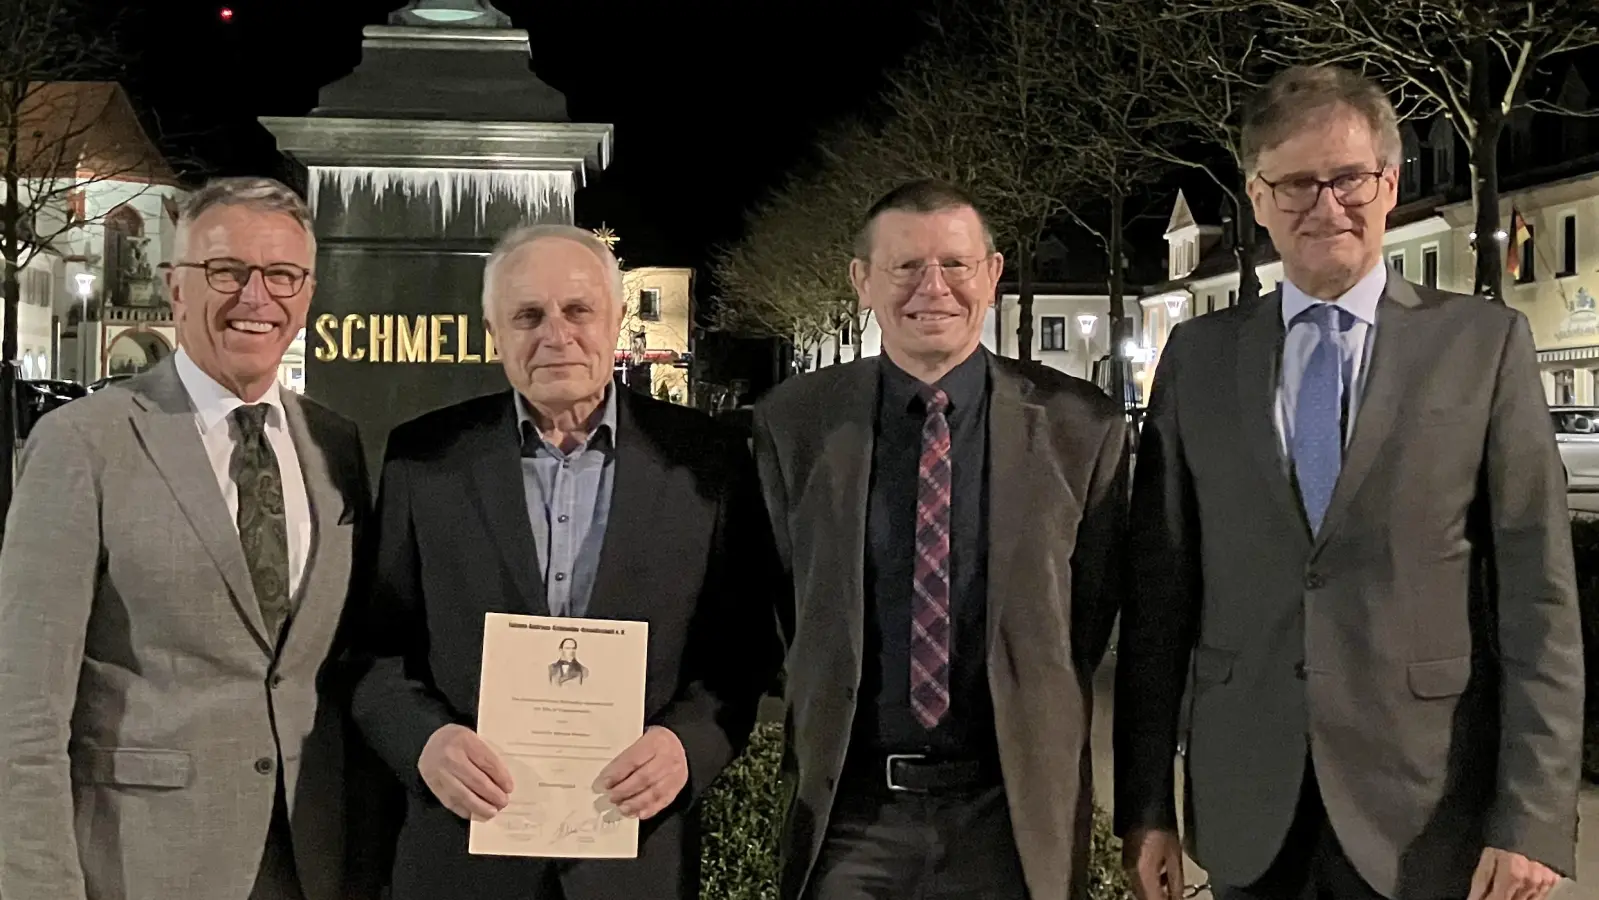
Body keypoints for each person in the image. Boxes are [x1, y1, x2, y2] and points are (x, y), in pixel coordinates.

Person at [1115, 65, 1583, 900]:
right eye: (1295, 184)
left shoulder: (1482, 347)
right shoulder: (1197, 360)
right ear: (1256, 199)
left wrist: (1532, 819)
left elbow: (1537, 597)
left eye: (1348, 179)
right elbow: (1159, 599)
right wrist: (1145, 806)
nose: (1324, 205)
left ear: (1389, 183)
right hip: (1247, 802)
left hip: (1424, 806)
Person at [348, 224, 780, 900]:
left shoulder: (707, 463)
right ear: (494, 333)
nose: (557, 335)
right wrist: (424, 744)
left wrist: (686, 747)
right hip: (460, 859)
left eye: (578, 310)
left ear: (615, 320)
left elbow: (742, 653)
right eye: (528, 316)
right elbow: (374, 652)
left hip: (634, 860)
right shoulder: (423, 459)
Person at [0, 177, 376, 900]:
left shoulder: (335, 443)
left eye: (282, 275)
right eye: (226, 270)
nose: (255, 297)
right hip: (143, 866)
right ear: (176, 286)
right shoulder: (83, 443)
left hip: (312, 860)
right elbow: (23, 709)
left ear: (307, 294)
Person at [753, 179, 1129, 900]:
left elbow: (1089, 619)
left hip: (1011, 818)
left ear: (991, 275)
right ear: (862, 281)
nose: (934, 287)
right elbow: (778, 604)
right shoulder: (794, 424)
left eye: (955, 264)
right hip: (852, 819)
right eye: (905, 266)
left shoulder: (1082, 427)